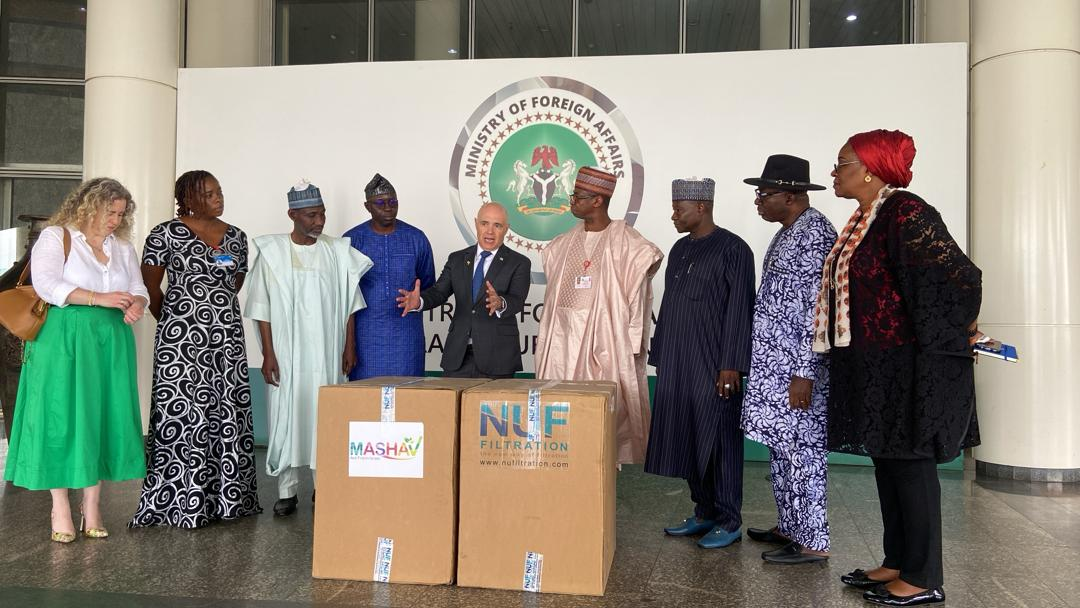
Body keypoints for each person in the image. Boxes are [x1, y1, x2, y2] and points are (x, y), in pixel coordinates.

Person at [814, 130, 981, 606]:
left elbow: (956, 278)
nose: (834, 171)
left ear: (870, 168)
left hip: (907, 367)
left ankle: (924, 575)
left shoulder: (907, 212)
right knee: (888, 461)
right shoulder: (867, 218)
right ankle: (897, 560)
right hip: (874, 366)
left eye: (842, 162)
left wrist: (940, 342)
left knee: (910, 465)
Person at [3, 177, 148, 542]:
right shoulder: (57, 237)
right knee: (62, 415)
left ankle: (93, 506)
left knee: (101, 415)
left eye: (120, 213)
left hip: (110, 338)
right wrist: (100, 299)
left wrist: (137, 305)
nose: (115, 219)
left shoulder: (123, 248)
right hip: (63, 337)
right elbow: (48, 285)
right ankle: (60, 507)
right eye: (108, 211)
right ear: (87, 206)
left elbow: (138, 288)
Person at [130, 170, 261, 528]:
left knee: (227, 410)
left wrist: (213, 316)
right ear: (188, 198)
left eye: (219, 191)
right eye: (209, 193)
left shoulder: (236, 237)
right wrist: (177, 320)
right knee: (185, 413)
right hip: (181, 340)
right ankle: (179, 498)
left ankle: (227, 498)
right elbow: (150, 287)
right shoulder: (164, 234)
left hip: (228, 339)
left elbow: (234, 283)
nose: (218, 197)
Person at [244, 180, 373, 516]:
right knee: (287, 417)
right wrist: (268, 354)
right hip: (287, 356)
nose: (319, 222)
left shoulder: (336, 252)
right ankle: (287, 491)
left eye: (322, 215)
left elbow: (348, 305)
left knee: (325, 417)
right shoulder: (272, 253)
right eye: (312, 215)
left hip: (327, 355)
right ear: (293, 215)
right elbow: (261, 308)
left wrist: (349, 346)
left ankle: (323, 487)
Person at [644, 177, 755, 549]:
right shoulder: (679, 250)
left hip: (715, 365)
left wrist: (732, 365)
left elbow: (740, 309)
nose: (673, 214)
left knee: (720, 441)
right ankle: (704, 512)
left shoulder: (734, 250)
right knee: (687, 437)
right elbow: (671, 306)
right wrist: (660, 356)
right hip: (678, 361)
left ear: (702, 207)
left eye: (679, 208)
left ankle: (729, 518)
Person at [739, 155, 838, 563]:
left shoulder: (815, 236)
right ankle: (791, 526)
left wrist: (804, 372)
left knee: (803, 452)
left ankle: (813, 540)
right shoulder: (788, 231)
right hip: (775, 364)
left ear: (793, 195)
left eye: (765, 194)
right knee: (782, 447)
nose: (759, 201)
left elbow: (819, 310)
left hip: (796, 369)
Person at [536, 167, 663, 466]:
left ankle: (600, 476)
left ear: (598, 201)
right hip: (562, 345)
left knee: (602, 423)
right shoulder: (561, 244)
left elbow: (645, 271)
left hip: (604, 343)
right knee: (561, 416)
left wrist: (631, 340)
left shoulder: (628, 243)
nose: (572, 202)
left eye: (578, 197)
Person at [396, 202, 529, 378]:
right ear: (476, 224)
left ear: (506, 229)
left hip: (498, 357)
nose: (489, 231)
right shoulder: (457, 259)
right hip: (458, 356)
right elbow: (439, 292)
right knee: (451, 406)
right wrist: (419, 301)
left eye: (497, 225)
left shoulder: (519, 263)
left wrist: (500, 303)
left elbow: (517, 301)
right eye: (484, 223)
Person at [344, 173, 435, 379]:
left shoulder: (416, 238)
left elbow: (430, 287)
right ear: (367, 206)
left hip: (406, 339)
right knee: (364, 404)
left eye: (393, 201)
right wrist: (348, 344)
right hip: (365, 337)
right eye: (380, 202)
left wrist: (418, 300)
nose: (388, 207)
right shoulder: (352, 240)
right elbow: (344, 297)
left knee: (407, 403)